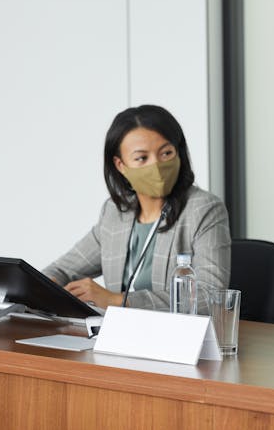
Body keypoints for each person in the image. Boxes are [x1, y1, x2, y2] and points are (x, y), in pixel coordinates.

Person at [44, 105, 231, 312]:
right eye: (142, 158)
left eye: (166, 153)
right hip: (118, 337)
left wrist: (118, 300)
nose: (157, 166)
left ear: (179, 153)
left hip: (175, 338)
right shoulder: (115, 214)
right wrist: (42, 285)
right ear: (120, 165)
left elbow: (210, 294)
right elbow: (62, 270)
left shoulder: (203, 209)